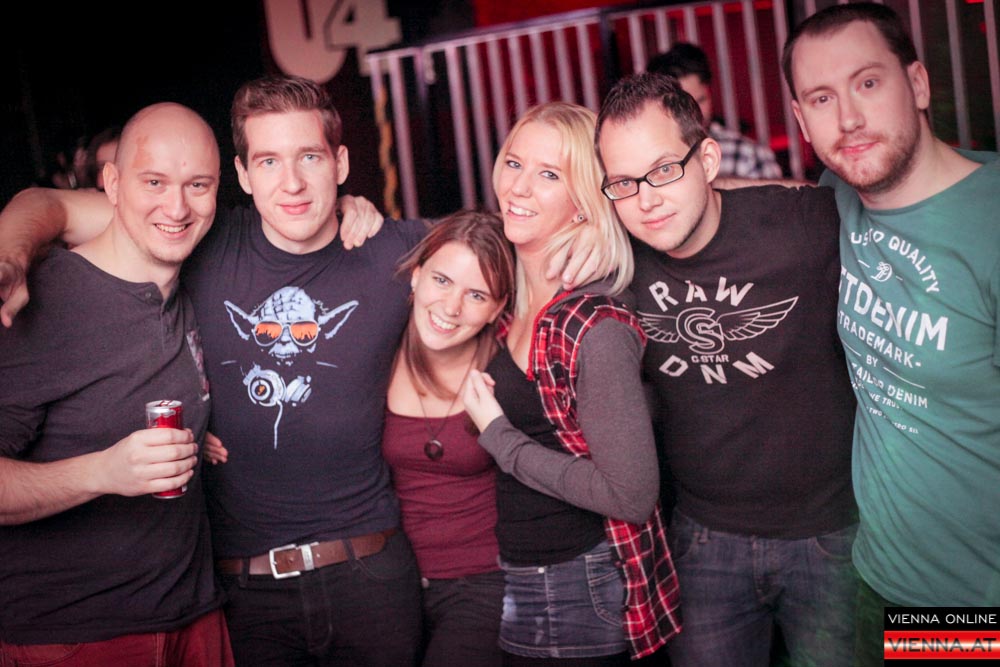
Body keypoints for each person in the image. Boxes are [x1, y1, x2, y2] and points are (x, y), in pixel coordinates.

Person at [0, 75, 604, 666]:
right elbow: (48, 205)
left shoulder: (396, 252)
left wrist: (585, 235)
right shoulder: (199, 235)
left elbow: (505, 241)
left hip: (370, 576)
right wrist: (9, 253)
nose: (291, 183)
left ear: (340, 163)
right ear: (242, 176)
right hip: (243, 593)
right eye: (268, 161)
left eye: (309, 157)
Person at [595, 72, 858, 667]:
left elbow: (899, 198)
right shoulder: (614, 259)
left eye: (665, 170)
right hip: (702, 541)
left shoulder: (801, 225)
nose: (646, 199)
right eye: (624, 182)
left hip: (830, 536)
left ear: (708, 160)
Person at [783, 3, 1000, 663]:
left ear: (919, 84)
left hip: (969, 606)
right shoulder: (837, 197)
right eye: (822, 98)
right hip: (876, 578)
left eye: (868, 83)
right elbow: (745, 201)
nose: (848, 118)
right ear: (801, 120)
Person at [0, 103, 233, 665]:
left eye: (197, 185)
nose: (176, 207)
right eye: (154, 182)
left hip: (193, 615)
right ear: (110, 183)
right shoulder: (41, 299)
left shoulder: (191, 272)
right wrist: (101, 472)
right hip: (76, 633)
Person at [462, 101, 682, 665]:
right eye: (515, 163)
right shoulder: (514, 298)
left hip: (579, 583)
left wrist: (499, 436)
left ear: (584, 199)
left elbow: (631, 495)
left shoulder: (595, 324)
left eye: (550, 175)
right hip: (525, 577)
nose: (519, 187)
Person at [385, 210, 513, 666]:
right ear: (416, 276)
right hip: (391, 583)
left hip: (484, 582)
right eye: (442, 281)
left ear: (497, 307)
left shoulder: (506, 373)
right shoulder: (378, 350)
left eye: (476, 295)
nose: (451, 307)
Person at [647, 42, 783, 180]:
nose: (695, 112)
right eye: (683, 105)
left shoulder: (747, 155)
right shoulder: (647, 159)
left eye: (701, 100)